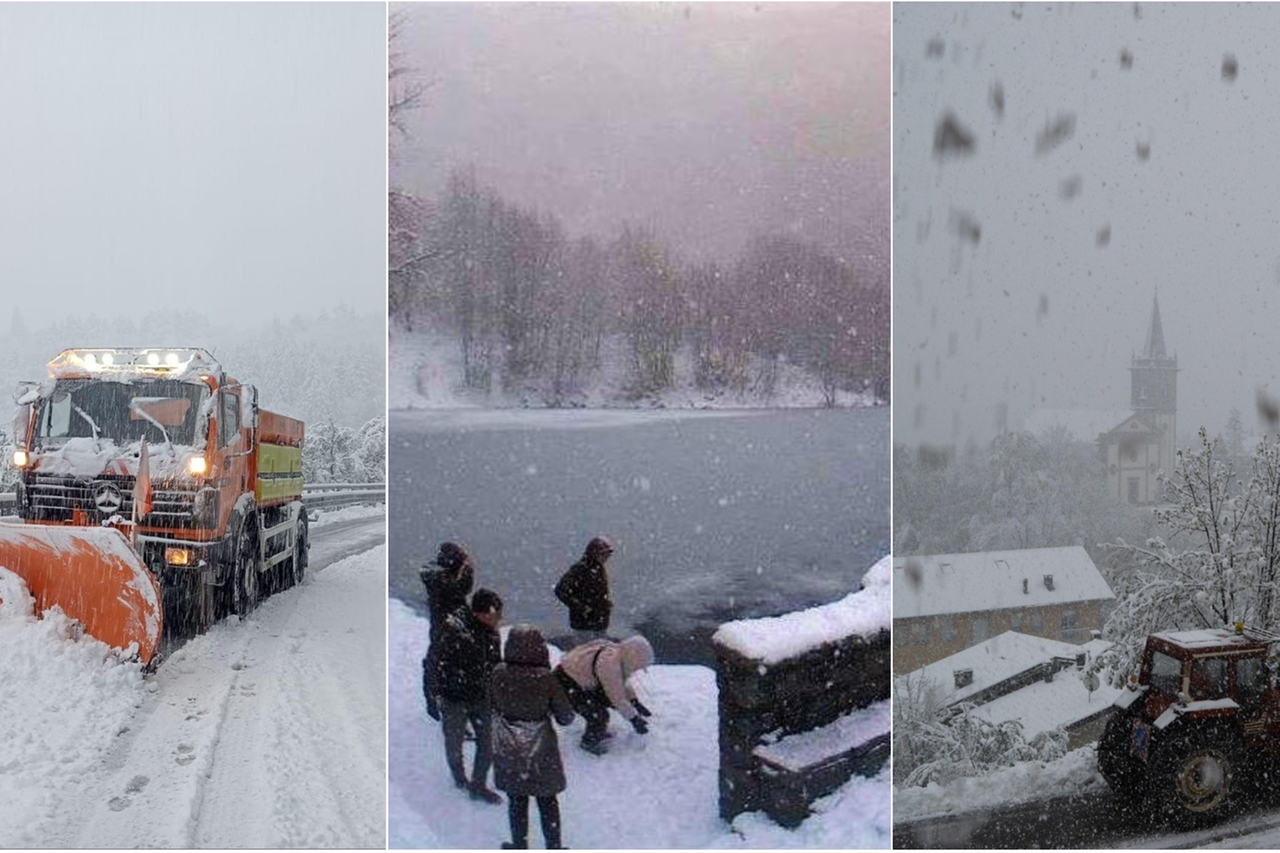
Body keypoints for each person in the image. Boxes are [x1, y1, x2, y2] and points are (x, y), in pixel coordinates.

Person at [489, 625, 575, 850]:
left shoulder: (498, 673)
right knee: (547, 800)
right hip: (541, 750)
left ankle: (519, 845)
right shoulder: (546, 679)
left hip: (508, 744)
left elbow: (491, 705)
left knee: (517, 800)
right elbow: (565, 717)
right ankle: (554, 847)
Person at [432, 587, 504, 804]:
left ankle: (478, 784)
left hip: (482, 697)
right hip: (454, 699)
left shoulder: (492, 633)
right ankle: (459, 778)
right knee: (454, 744)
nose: (499, 619)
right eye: (496, 614)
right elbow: (437, 665)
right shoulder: (454, 633)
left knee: (487, 744)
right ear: (481, 613)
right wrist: (438, 694)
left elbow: (494, 663)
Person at [554, 634, 654, 754]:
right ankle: (589, 743)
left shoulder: (618, 653)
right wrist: (634, 719)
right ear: (632, 659)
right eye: (637, 666)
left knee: (606, 701)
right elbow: (617, 696)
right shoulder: (609, 664)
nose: (637, 670)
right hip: (565, 683)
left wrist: (634, 701)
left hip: (579, 680)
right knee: (599, 715)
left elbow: (622, 683)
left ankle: (597, 731)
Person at [421, 542, 475, 721]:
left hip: (439, 626)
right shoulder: (445, 582)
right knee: (452, 666)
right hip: (449, 627)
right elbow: (461, 589)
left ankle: (435, 702)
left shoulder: (434, 575)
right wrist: (468, 570)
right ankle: (451, 706)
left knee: (437, 663)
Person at [554, 536, 614, 641]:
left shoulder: (597, 568)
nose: (607, 557)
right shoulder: (580, 569)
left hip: (597, 623)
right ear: (595, 553)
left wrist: (605, 605)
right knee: (586, 652)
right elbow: (560, 590)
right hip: (585, 625)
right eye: (604, 554)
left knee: (596, 651)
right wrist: (582, 608)